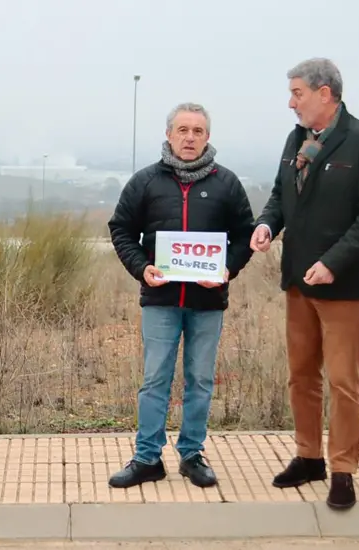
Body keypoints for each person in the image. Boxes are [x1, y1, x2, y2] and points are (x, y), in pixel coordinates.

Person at [251, 58, 359, 509]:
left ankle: (344, 469)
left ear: (325, 94)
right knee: (301, 376)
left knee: (342, 380)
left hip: (342, 283)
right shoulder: (297, 139)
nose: (290, 102)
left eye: (297, 93)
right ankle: (308, 456)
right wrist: (266, 225)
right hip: (298, 280)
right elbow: (281, 194)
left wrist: (333, 262)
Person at [106, 102, 255, 489]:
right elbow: (121, 229)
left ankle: (192, 455)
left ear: (208, 138)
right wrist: (142, 268)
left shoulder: (227, 183)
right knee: (155, 379)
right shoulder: (146, 182)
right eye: (183, 130)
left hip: (207, 303)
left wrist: (227, 269)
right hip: (161, 301)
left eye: (198, 131)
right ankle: (147, 458)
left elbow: (245, 235)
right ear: (169, 135)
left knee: (201, 380)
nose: (190, 138)